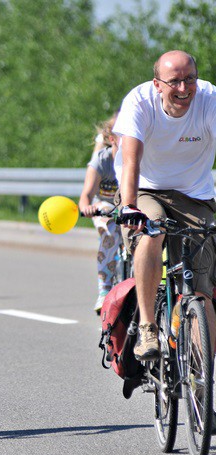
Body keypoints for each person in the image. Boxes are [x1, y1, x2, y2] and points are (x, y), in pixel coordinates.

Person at [114, 50, 216, 362]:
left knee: (201, 286)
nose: (184, 89)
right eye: (175, 82)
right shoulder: (140, 101)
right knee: (152, 229)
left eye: (190, 80)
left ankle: (203, 377)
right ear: (158, 84)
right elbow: (131, 161)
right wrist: (129, 206)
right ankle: (147, 327)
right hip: (145, 188)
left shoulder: (210, 99)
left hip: (194, 195)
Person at [79, 112, 122, 314]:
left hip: (126, 204)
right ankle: (104, 289)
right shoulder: (101, 161)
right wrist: (87, 207)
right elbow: (86, 195)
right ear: (112, 138)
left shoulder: (140, 156)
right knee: (109, 231)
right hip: (103, 204)